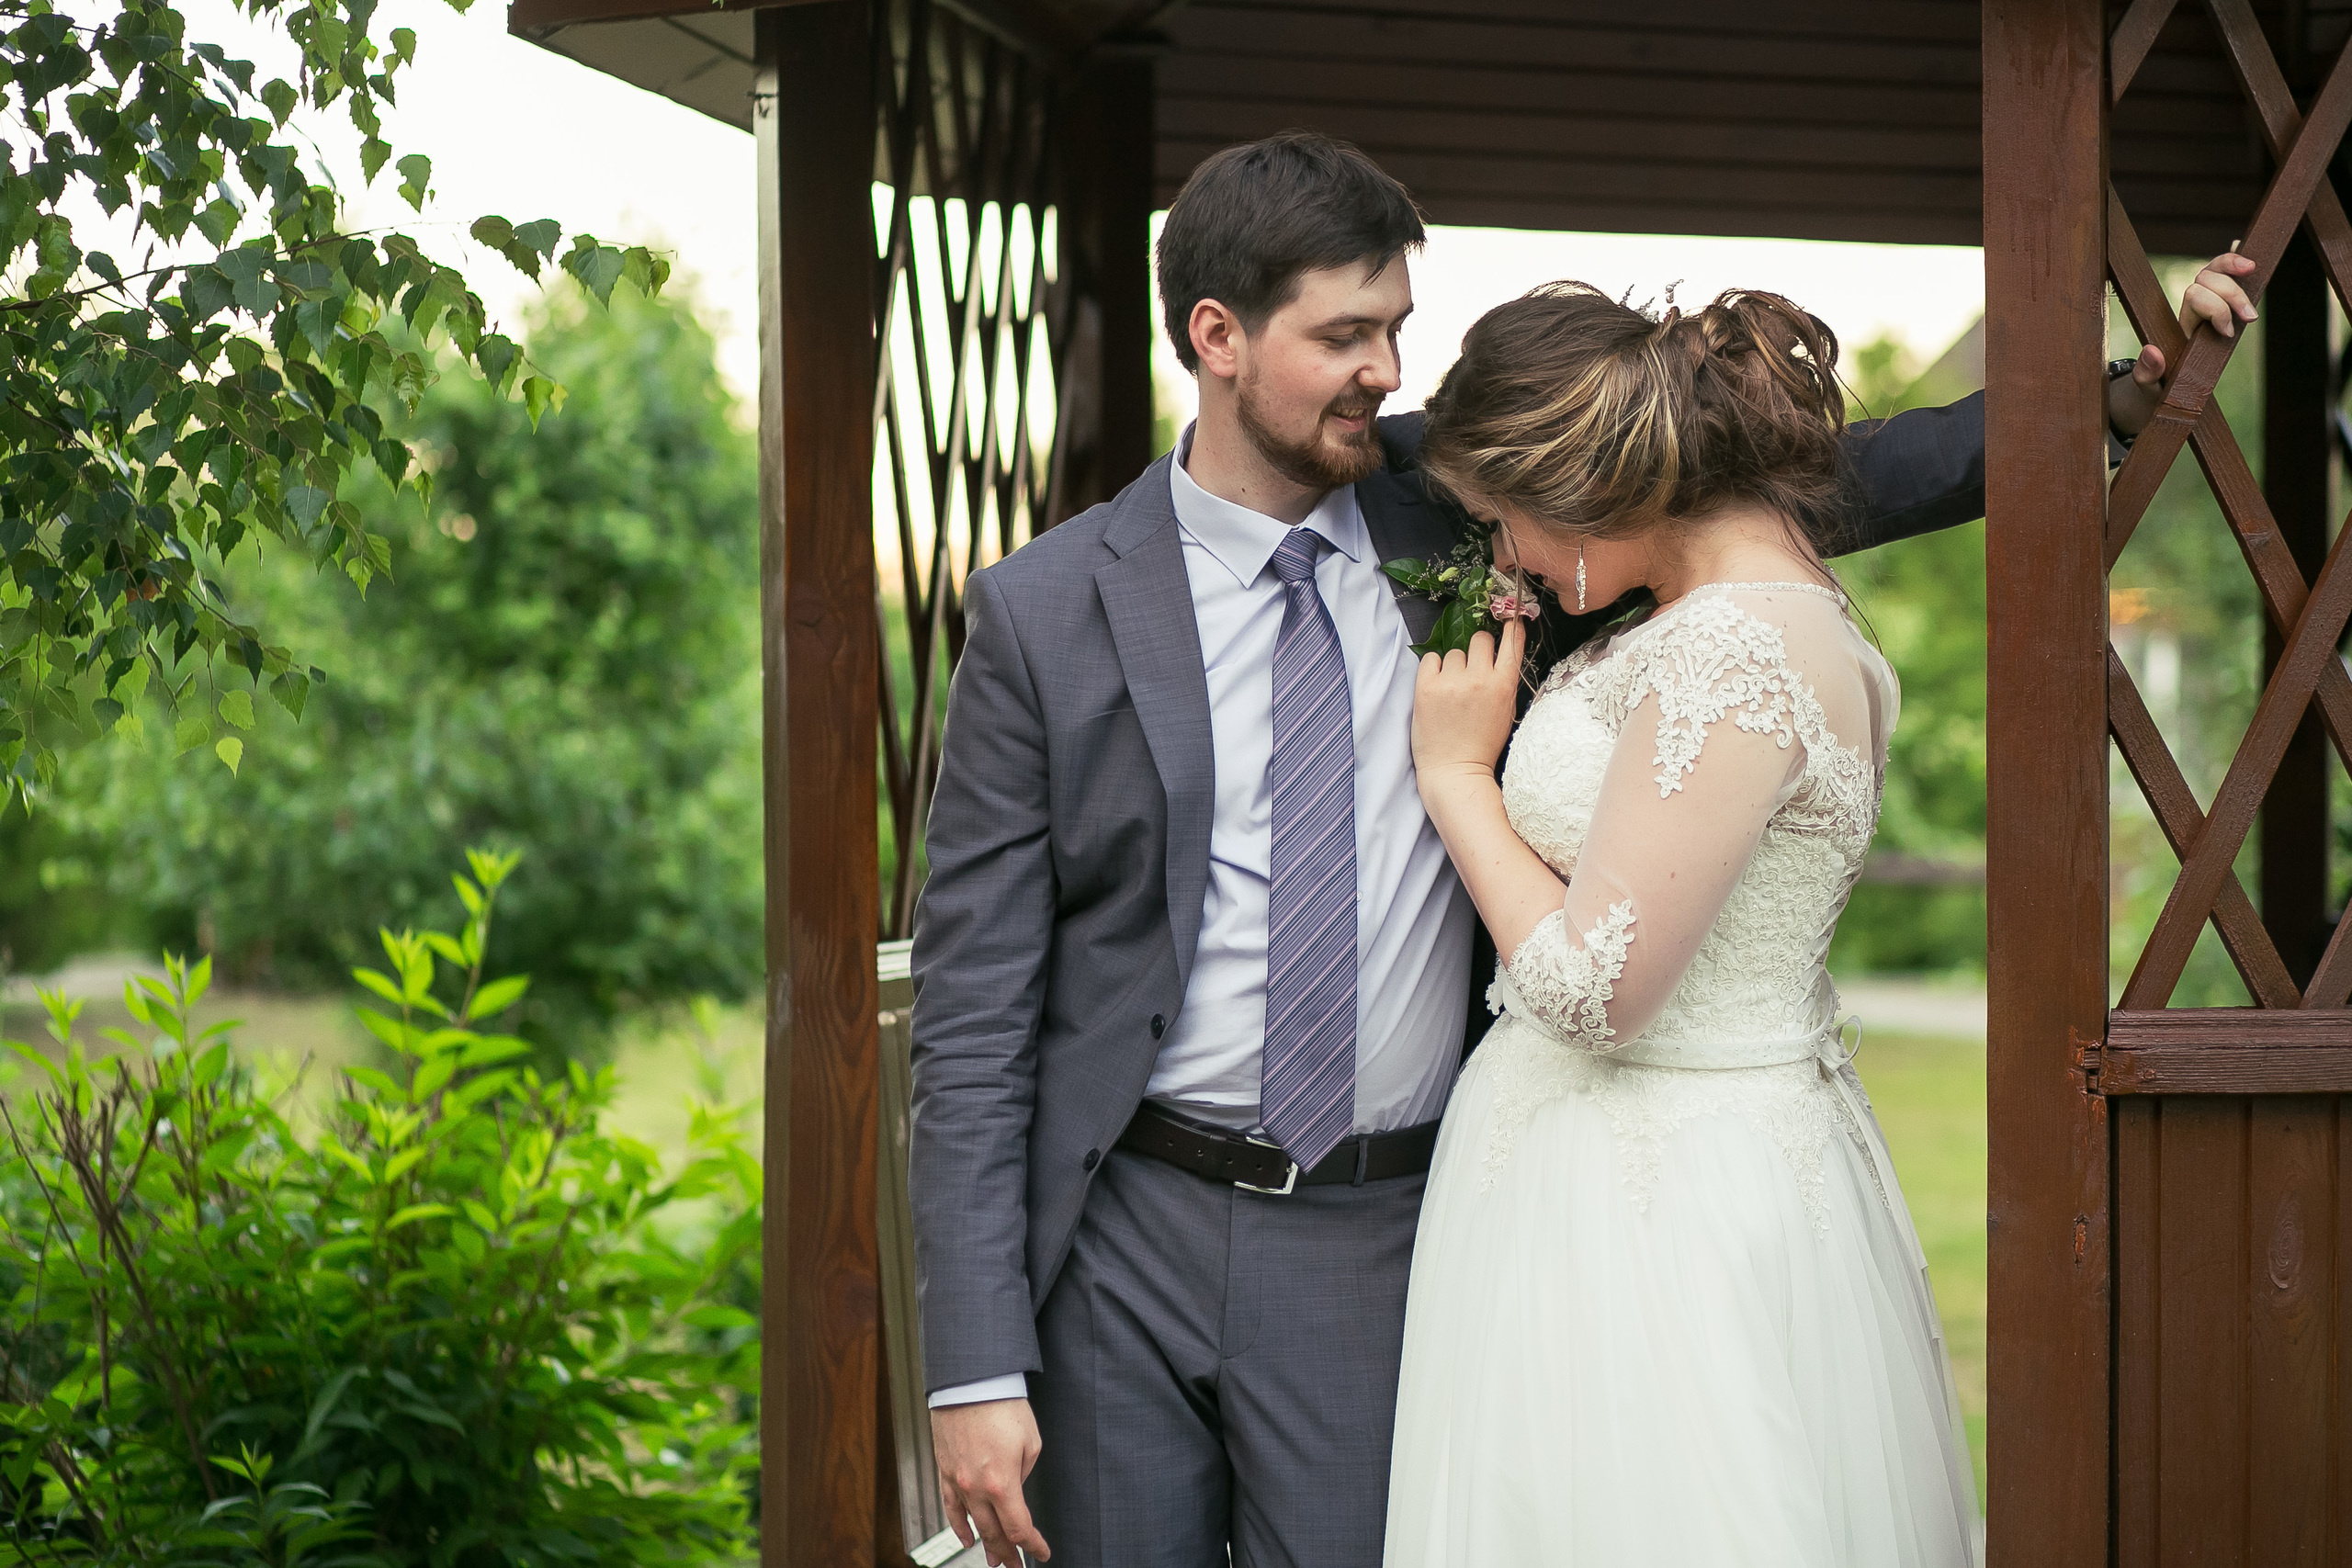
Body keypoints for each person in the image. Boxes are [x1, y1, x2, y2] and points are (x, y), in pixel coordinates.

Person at [908, 130, 2254, 1568]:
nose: (1386, 371)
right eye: (1346, 335)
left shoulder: (1465, 496)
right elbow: (978, 1013)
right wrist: (974, 1364)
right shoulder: (1042, 614)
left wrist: (2117, 399)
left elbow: (1803, 483)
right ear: (1218, 337)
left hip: (1393, 1231)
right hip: (1127, 1237)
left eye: (1399, 330)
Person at [1387, 282, 1976, 1565]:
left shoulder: (1735, 652)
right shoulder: (1713, 619)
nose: (1512, 564)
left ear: (1574, 479)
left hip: (1661, 1216)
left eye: (1503, 522)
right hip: (1611, 1179)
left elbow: (1604, 989)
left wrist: (1455, 781)